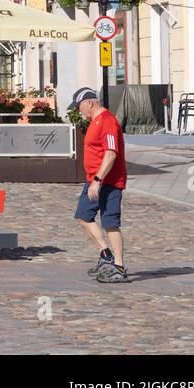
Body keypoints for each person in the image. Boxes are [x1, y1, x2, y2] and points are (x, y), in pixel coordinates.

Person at [69, 86, 129, 283]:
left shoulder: (107, 121)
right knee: (83, 216)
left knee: (110, 223)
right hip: (94, 181)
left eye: (79, 107)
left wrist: (98, 180)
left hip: (108, 182)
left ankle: (119, 267)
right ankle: (106, 255)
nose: (79, 111)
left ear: (90, 103)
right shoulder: (94, 121)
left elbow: (111, 153)